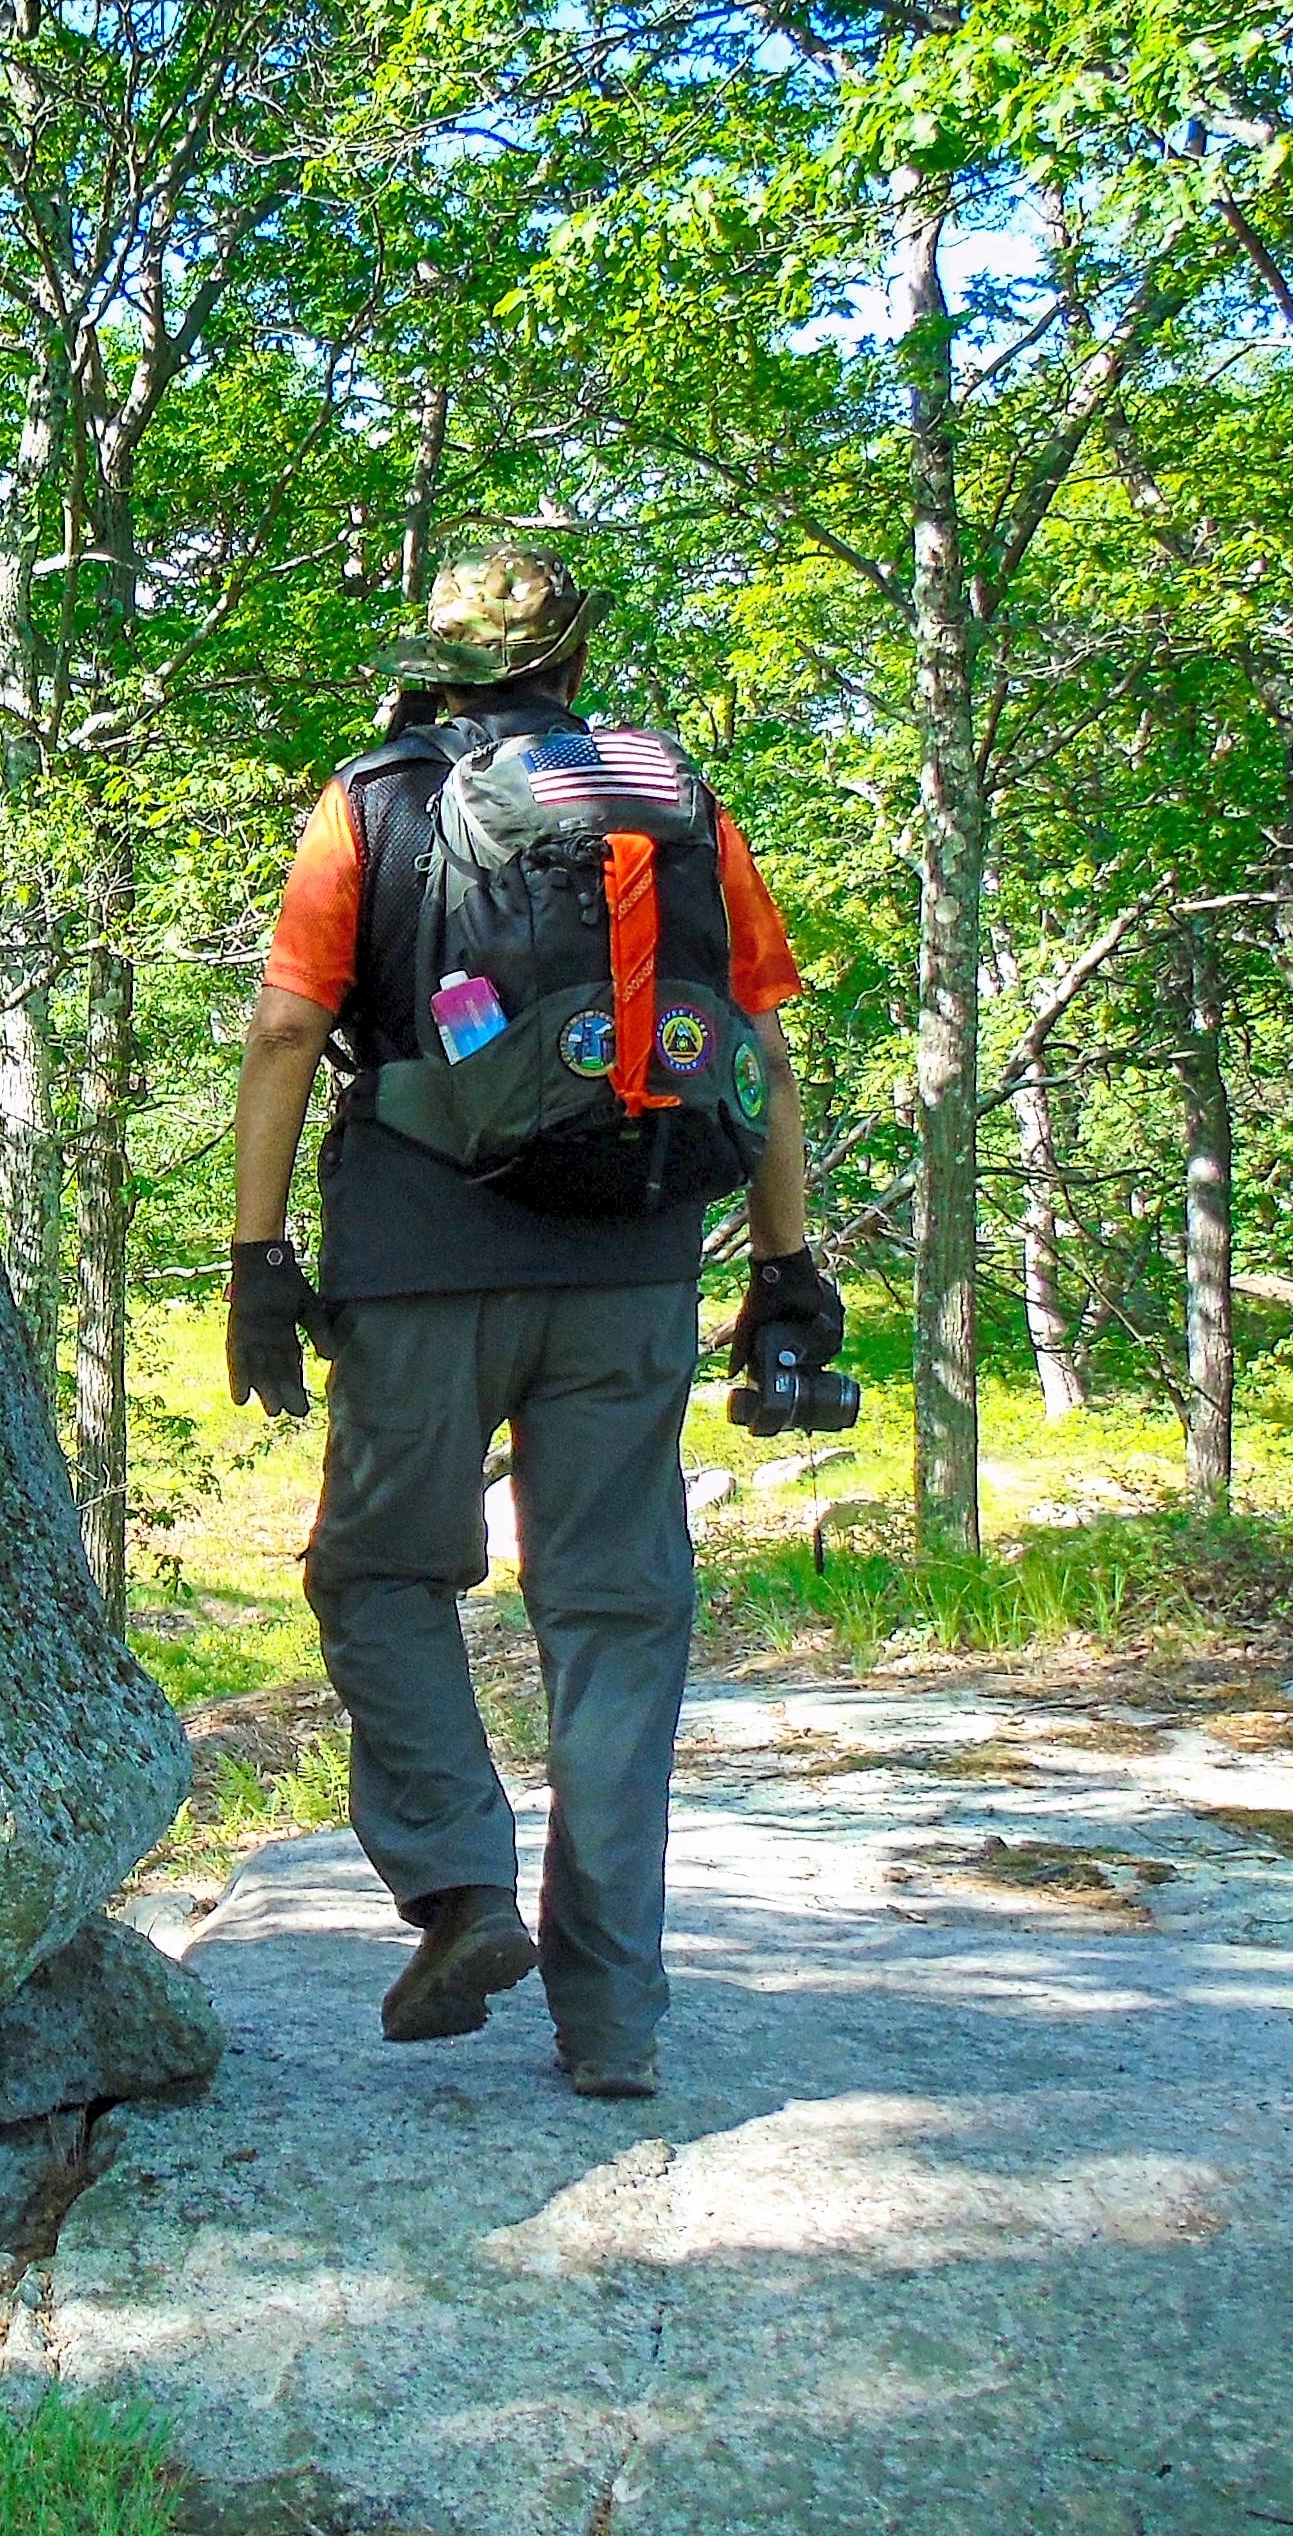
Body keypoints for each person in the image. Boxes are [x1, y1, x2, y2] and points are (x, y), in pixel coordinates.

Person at [219, 542, 838, 2101]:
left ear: (436, 666)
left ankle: (460, 1886)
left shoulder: (371, 803)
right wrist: (785, 1265)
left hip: (420, 1261)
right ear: (574, 662)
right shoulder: (675, 801)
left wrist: (258, 1258)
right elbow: (759, 1044)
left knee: (380, 1574)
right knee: (617, 1618)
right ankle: (613, 2020)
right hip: (634, 1262)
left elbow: (289, 1028)